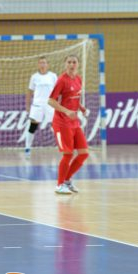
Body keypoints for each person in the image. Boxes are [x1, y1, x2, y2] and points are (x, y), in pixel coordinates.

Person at [48, 55, 89, 194]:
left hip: (74, 122)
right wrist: (66, 111)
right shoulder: (61, 80)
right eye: (69, 62)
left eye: (74, 62)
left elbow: (74, 98)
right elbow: (51, 101)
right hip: (61, 123)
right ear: (65, 64)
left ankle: (67, 180)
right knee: (68, 154)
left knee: (83, 153)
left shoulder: (78, 79)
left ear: (78, 64)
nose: (72, 64)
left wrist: (81, 108)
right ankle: (59, 185)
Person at [24, 56, 58, 157]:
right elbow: (29, 92)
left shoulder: (53, 76)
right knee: (32, 126)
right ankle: (27, 148)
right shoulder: (34, 77)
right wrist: (27, 105)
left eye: (44, 63)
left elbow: (58, 90)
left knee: (56, 126)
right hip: (37, 105)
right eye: (41, 63)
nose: (42, 65)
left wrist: (59, 103)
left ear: (48, 65)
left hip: (50, 104)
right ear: (38, 65)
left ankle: (63, 146)